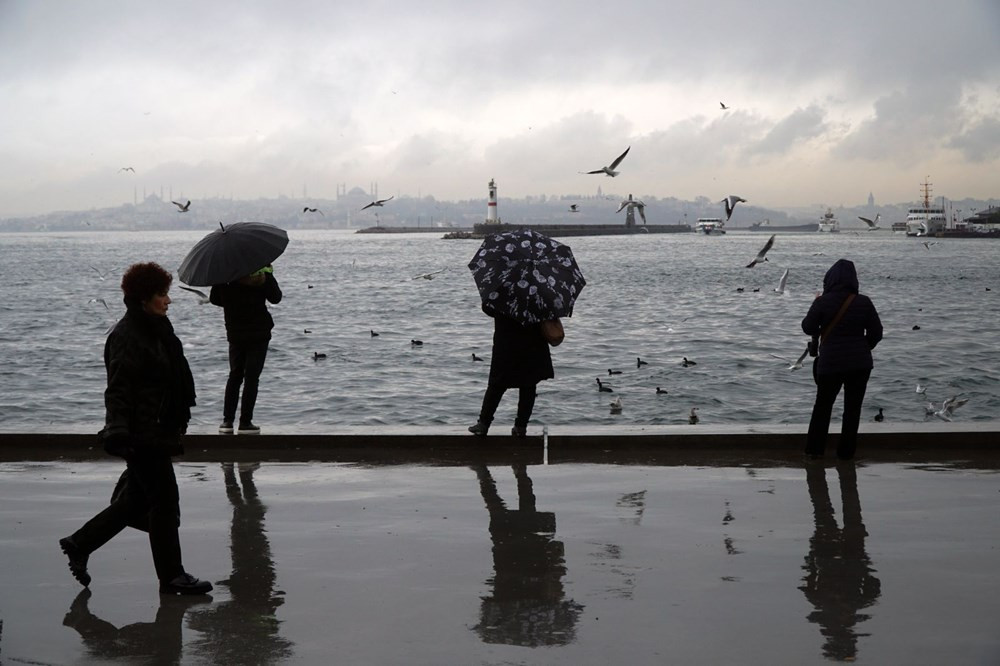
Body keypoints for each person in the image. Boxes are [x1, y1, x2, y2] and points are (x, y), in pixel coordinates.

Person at [59, 262, 212, 595]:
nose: (168, 301)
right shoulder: (128, 335)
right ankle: (172, 576)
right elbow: (118, 387)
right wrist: (117, 431)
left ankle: (79, 543)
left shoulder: (157, 329)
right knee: (165, 502)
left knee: (137, 501)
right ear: (144, 298)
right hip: (143, 434)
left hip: (158, 429)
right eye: (162, 294)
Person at [802, 259, 883, 460]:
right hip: (860, 364)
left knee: (822, 407)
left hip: (830, 363)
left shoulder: (822, 302)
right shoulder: (864, 302)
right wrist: (863, 347)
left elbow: (808, 327)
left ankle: (814, 452)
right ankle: (846, 454)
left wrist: (816, 303)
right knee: (852, 410)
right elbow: (876, 332)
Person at [209, 265, 282, 434]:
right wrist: (269, 274)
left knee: (235, 375)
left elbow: (214, 299)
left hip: (235, 331)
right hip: (259, 332)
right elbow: (276, 298)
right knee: (252, 378)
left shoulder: (225, 274)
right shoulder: (262, 272)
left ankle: (227, 422)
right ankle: (245, 422)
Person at [469, 311, 554, 437]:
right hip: (532, 342)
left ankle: (484, 423)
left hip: (506, 342)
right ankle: (521, 426)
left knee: (497, 385)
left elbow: (489, 308)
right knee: (528, 385)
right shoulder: (538, 294)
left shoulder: (503, 293)